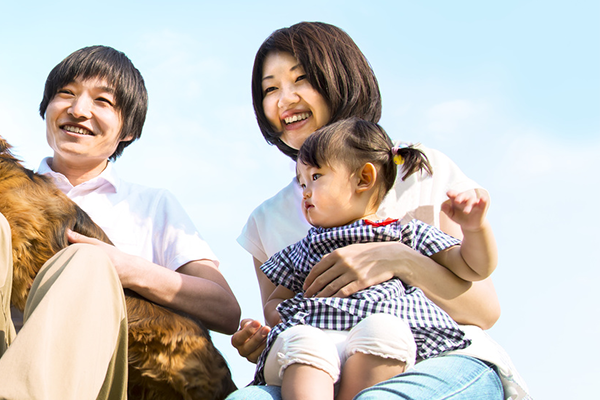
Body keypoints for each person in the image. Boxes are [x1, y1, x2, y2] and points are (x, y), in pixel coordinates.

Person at [0, 45, 241, 400]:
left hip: (106, 380)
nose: (79, 109)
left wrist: (127, 269)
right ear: (47, 109)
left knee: (86, 261)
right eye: (66, 94)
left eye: (103, 101)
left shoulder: (152, 204)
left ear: (127, 129)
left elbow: (225, 311)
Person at [227, 22, 530, 399]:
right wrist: (265, 339)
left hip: (443, 357)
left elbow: (482, 310)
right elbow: (283, 314)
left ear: (340, 78)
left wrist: (397, 259)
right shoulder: (264, 222)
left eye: (300, 79)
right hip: (324, 371)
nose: (283, 99)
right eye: (270, 88)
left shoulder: (417, 169)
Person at [253, 118, 498, 400]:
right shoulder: (306, 247)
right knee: (306, 343)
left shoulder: (404, 234)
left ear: (364, 178)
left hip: (378, 341)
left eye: (316, 177)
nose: (305, 191)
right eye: (301, 182)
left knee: (386, 331)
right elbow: (276, 301)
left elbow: (473, 267)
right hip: (319, 340)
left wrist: (475, 228)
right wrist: (285, 318)